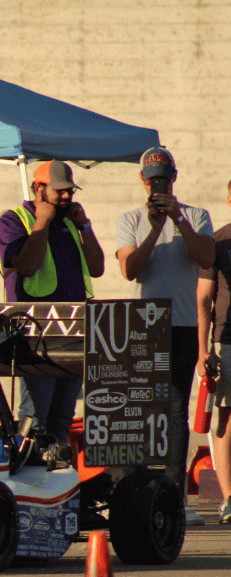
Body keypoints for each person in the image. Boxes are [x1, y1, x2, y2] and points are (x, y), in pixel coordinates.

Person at [117, 146, 215, 527]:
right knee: (140, 408)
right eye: (151, 178)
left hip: (184, 322)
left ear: (173, 178)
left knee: (175, 409)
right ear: (142, 180)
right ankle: (136, 493)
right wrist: (155, 225)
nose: (157, 183)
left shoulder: (195, 215)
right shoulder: (130, 219)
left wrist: (178, 220)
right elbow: (131, 270)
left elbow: (206, 257)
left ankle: (174, 495)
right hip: (144, 322)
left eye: (163, 177)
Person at [0, 160, 105, 442]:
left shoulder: (70, 221)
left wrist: (86, 227)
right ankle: (30, 475)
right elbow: (26, 266)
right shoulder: (14, 219)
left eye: (70, 190)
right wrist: (41, 221)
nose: (67, 196)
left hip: (74, 333)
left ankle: (55, 474)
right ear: (38, 189)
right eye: (59, 191)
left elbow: (97, 268)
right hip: (36, 337)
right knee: (36, 417)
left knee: (61, 420)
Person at [196, 177, 231, 523]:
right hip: (228, 340)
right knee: (227, 417)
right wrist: (202, 350)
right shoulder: (218, 242)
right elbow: (203, 297)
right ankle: (229, 497)